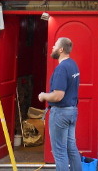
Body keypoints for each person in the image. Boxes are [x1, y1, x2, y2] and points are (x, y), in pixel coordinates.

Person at [38, 38, 82, 171]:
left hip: (61, 113)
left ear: (61, 49)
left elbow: (58, 95)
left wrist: (43, 96)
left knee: (60, 152)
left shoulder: (61, 68)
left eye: (55, 45)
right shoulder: (73, 65)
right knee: (71, 148)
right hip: (72, 111)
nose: (52, 47)